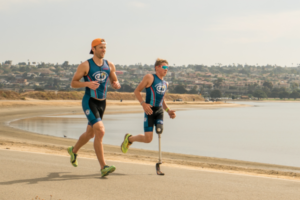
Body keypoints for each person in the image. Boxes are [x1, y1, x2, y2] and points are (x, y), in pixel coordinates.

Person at [68, 38, 121, 177]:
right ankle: (103, 167)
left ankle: (73, 151)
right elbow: (73, 83)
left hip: (102, 103)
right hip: (89, 101)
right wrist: (87, 84)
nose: (103, 50)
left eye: (105, 48)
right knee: (100, 131)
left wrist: (116, 84)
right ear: (94, 49)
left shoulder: (109, 65)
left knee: (90, 134)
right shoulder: (85, 65)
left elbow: (113, 79)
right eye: (101, 47)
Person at [121, 58, 176, 154]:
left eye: (167, 67)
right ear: (157, 68)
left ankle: (159, 161)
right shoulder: (150, 77)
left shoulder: (165, 83)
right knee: (148, 139)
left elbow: (162, 100)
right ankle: (129, 139)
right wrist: (143, 104)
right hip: (149, 110)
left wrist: (168, 111)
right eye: (164, 67)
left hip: (159, 111)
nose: (166, 69)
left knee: (159, 131)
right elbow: (136, 91)